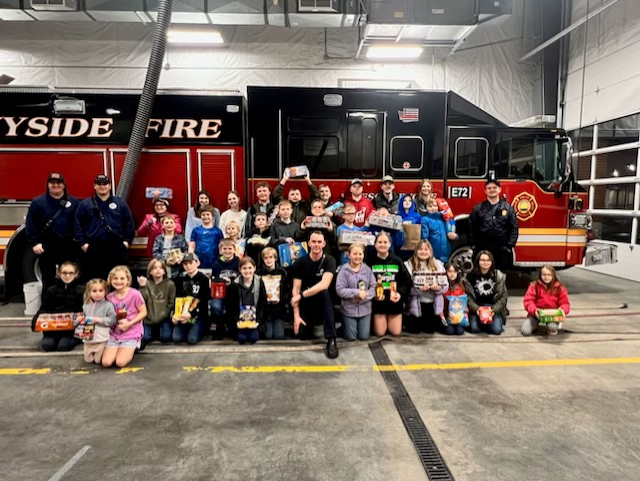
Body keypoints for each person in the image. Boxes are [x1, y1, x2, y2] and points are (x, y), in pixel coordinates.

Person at [25, 172, 79, 295]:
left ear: (64, 185)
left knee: (69, 277)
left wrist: (79, 242)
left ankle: (70, 305)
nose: (56, 185)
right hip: (46, 247)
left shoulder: (74, 203)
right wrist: (34, 243)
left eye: (59, 183)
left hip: (68, 246)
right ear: (48, 185)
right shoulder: (38, 202)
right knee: (48, 279)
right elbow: (30, 224)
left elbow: (80, 224)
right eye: (52, 183)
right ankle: (49, 307)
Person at [74, 174, 135, 281]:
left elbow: (129, 224)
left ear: (110, 186)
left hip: (116, 246)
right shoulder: (85, 204)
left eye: (105, 184)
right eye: (99, 184)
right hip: (93, 247)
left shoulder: (120, 203)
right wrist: (83, 244)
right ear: (94, 186)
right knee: (94, 280)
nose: (102, 186)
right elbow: (77, 225)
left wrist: (126, 242)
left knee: (116, 279)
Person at [291, 231, 339, 359]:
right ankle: (308, 323)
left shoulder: (329, 260)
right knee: (301, 335)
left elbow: (324, 284)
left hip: (323, 303)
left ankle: (331, 339)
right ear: (308, 243)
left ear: (323, 244)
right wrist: (296, 316)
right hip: (307, 305)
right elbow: (295, 289)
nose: (316, 245)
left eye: (319, 242)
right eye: (313, 242)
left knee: (324, 293)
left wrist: (301, 295)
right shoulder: (299, 263)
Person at [365, 232, 411, 337]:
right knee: (380, 333)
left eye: (385, 242)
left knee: (396, 332)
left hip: (394, 302)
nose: (382, 245)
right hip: (378, 303)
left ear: (389, 244)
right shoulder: (369, 262)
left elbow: (407, 281)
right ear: (375, 245)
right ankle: (374, 320)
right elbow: (364, 282)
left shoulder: (397, 261)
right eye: (379, 242)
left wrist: (400, 294)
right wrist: (372, 295)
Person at [31, 261, 84, 352]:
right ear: (59, 273)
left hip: (71, 329)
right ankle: (51, 338)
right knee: (47, 345)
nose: (67, 276)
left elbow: (85, 310)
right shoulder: (51, 290)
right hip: (53, 328)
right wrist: (35, 321)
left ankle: (76, 339)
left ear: (76, 274)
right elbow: (44, 308)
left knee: (63, 346)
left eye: (71, 273)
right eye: (64, 273)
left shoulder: (82, 290)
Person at [469, 179, 519, 274]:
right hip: (483, 249)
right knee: (482, 276)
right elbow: (471, 227)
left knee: (500, 276)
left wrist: (509, 246)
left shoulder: (508, 208)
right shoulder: (478, 209)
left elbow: (514, 227)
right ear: (485, 191)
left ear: (499, 189)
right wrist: (474, 245)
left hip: (502, 250)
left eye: (494, 188)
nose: (492, 190)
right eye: (489, 188)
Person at [103, 266, 147, 368]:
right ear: (110, 280)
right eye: (115, 278)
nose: (118, 281)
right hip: (115, 333)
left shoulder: (135, 294)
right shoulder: (109, 297)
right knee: (106, 362)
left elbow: (143, 312)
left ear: (128, 280)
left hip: (131, 332)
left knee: (120, 362)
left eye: (122, 278)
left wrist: (129, 323)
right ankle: (120, 348)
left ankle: (135, 346)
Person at [404, 240, 448, 334]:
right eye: (420, 249)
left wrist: (439, 289)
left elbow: (445, 285)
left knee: (430, 330)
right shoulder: (408, 265)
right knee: (414, 330)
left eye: (426, 249)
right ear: (416, 251)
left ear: (430, 251)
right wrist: (418, 290)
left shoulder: (438, 264)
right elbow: (405, 287)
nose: (423, 251)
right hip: (415, 304)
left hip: (432, 304)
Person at [335, 243, 376, 341]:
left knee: (364, 337)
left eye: (360, 254)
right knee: (351, 338)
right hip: (349, 310)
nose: (358, 256)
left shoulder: (367, 270)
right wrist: (356, 293)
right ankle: (344, 327)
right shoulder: (343, 271)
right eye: (355, 254)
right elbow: (340, 290)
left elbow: (373, 286)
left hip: (365, 309)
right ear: (348, 255)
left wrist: (366, 295)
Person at [463, 251, 507, 335]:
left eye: (488, 260)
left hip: (492, 307)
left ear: (492, 262)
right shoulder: (470, 276)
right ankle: (483, 323)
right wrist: (477, 309)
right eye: (482, 260)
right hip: (477, 307)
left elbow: (503, 297)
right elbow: (468, 297)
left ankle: (490, 322)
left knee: (496, 330)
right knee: (474, 329)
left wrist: (493, 310)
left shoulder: (498, 275)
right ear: (477, 261)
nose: (485, 262)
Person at [226, 257, 267, 345]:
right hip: (240, 320)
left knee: (253, 339)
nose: (247, 271)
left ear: (254, 268)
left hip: (254, 319)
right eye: (244, 268)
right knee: (242, 339)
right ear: (240, 270)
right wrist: (237, 321)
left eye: (250, 268)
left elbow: (263, 303)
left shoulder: (259, 281)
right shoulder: (234, 285)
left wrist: (258, 321)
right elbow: (231, 306)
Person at [521, 265, 570, 336]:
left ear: (553, 275)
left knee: (552, 328)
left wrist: (562, 310)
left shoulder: (560, 288)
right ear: (540, 275)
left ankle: (556, 323)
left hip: (552, 315)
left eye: (549, 275)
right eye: (544, 274)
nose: (546, 277)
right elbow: (528, 301)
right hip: (536, 313)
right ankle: (535, 325)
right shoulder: (534, 286)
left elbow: (565, 304)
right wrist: (534, 310)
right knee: (525, 331)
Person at [172, 253, 210, 345]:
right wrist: (175, 314)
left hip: (197, 314)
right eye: (185, 264)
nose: (188, 266)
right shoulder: (180, 280)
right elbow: (177, 298)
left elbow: (203, 300)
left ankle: (202, 328)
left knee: (192, 339)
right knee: (177, 338)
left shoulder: (203, 279)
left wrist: (191, 314)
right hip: (183, 313)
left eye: (190, 263)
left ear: (197, 263)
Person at [138, 259, 175, 349]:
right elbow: (141, 301)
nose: (158, 270)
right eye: (155, 268)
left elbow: (171, 303)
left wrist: (163, 315)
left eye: (160, 268)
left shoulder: (170, 284)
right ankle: (154, 331)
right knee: (145, 338)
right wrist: (142, 287)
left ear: (164, 271)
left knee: (166, 338)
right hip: (148, 318)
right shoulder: (146, 283)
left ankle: (157, 331)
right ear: (150, 271)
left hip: (163, 317)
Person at [79, 278, 116, 364]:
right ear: (89, 292)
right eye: (94, 291)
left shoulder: (108, 305)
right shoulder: (86, 305)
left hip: (101, 338)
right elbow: (83, 318)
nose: (98, 293)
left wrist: (98, 320)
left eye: (100, 290)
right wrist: (80, 319)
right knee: (88, 360)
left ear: (105, 291)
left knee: (98, 360)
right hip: (88, 337)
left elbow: (113, 320)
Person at [257, 247, 289, 340]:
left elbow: (287, 291)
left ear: (275, 258)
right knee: (268, 336)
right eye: (266, 258)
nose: (268, 260)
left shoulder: (282, 273)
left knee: (278, 336)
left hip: (279, 308)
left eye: (271, 257)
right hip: (265, 309)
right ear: (263, 259)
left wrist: (281, 301)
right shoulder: (259, 273)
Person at [211, 239, 241, 339]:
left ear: (234, 250)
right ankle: (220, 326)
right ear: (220, 250)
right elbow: (213, 279)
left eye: (230, 249)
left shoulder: (238, 262)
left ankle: (232, 328)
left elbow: (241, 278)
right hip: (220, 292)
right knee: (215, 306)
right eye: (224, 249)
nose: (227, 251)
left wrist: (232, 282)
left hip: (234, 292)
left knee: (232, 307)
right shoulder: (216, 264)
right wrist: (221, 280)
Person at [189, 204, 223, 270]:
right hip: (198, 262)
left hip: (214, 262)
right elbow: (192, 246)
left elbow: (221, 247)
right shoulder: (196, 230)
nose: (205, 217)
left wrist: (221, 260)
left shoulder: (218, 231)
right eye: (203, 215)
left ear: (212, 216)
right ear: (200, 216)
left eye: (208, 214)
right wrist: (191, 258)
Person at [420, 198, 451, 263]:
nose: (433, 208)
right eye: (430, 206)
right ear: (426, 208)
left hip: (445, 253)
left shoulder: (443, 218)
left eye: (435, 206)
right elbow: (424, 237)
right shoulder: (425, 220)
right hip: (433, 254)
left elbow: (449, 232)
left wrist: (455, 236)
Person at [441, 263, 467, 336]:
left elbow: (464, 303)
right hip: (444, 315)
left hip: (457, 316)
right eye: (449, 271)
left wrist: (465, 313)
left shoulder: (460, 287)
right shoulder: (442, 286)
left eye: (454, 271)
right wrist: (442, 316)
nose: (452, 274)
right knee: (450, 331)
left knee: (459, 331)